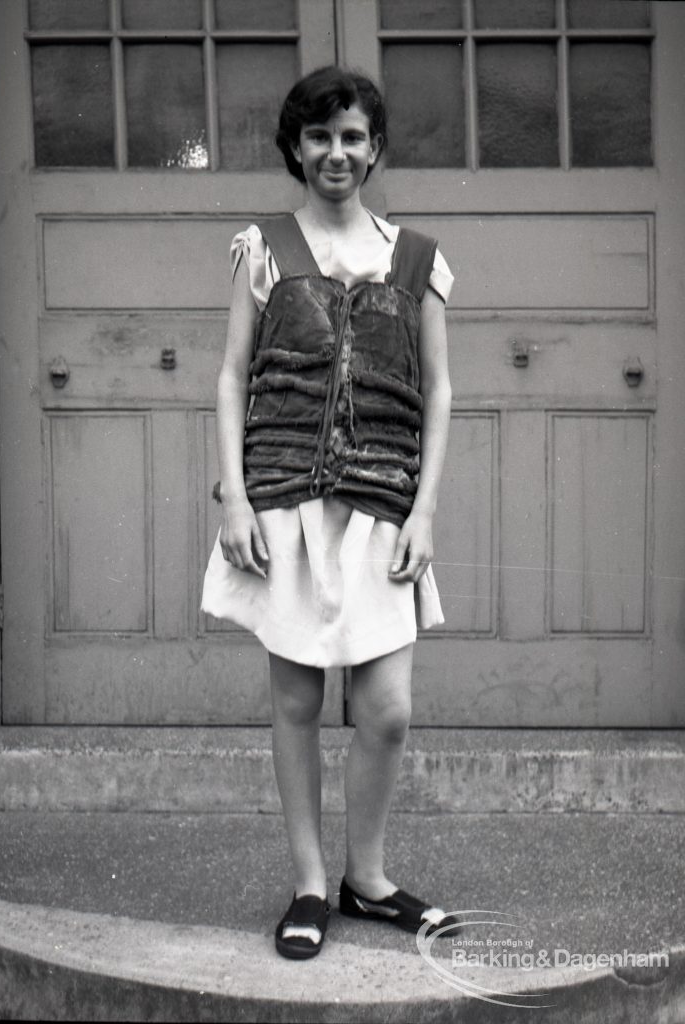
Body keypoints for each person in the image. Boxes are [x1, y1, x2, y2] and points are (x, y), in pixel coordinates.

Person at [201, 65, 458, 959]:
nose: (336, 151)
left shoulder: (419, 258)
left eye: (352, 136)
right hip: (285, 505)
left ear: (375, 148)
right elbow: (233, 373)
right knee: (298, 696)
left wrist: (424, 514)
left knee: (386, 708)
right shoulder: (262, 248)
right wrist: (234, 492)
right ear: (296, 148)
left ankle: (368, 876)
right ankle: (310, 882)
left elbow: (439, 389)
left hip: (383, 507)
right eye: (319, 136)